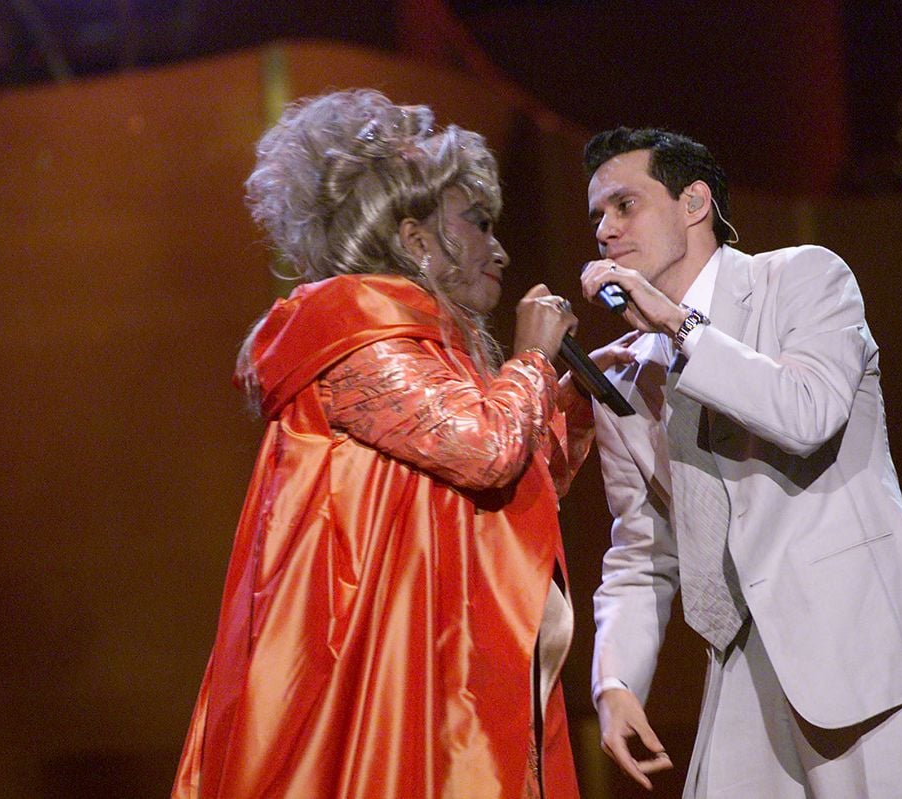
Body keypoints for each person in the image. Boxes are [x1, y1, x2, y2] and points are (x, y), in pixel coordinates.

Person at [172, 89, 632, 799]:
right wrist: (534, 359)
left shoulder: (422, 352)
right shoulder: (357, 336)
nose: (499, 247)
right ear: (417, 240)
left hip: (431, 679)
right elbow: (486, 448)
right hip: (369, 692)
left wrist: (598, 387)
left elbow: (511, 484)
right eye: (477, 223)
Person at [577, 127, 902, 798]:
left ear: (694, 202)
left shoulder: (802, 277)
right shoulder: (625, 374)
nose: (606, 230)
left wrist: (680, 329)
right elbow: (641, 550)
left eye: (625, 204)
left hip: (868, 659)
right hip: (741, 681)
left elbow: (807, 412)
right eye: (596, 216)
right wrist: (615, 681)